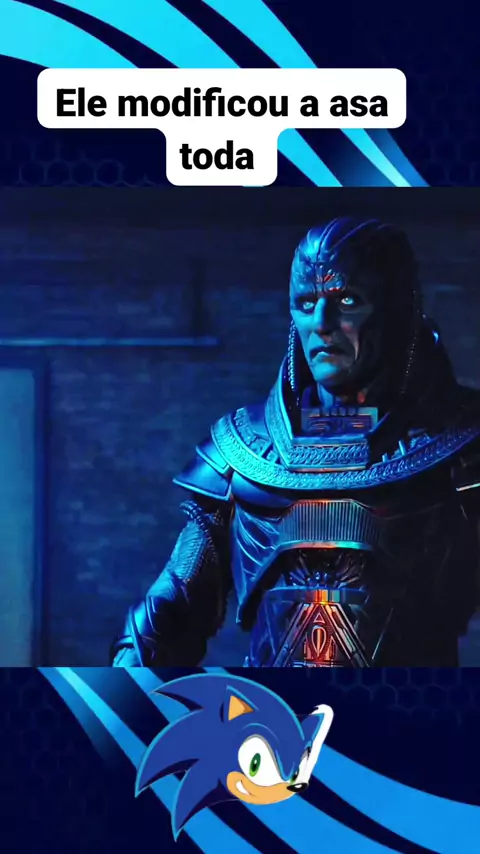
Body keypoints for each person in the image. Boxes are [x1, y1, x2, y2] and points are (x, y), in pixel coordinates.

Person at [111, 217, 480, 668]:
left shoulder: (463, 447)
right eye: (306, 303)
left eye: (347, 301)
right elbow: (166, 617)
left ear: (397, 310)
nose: (322, 324)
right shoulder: (242, 453)